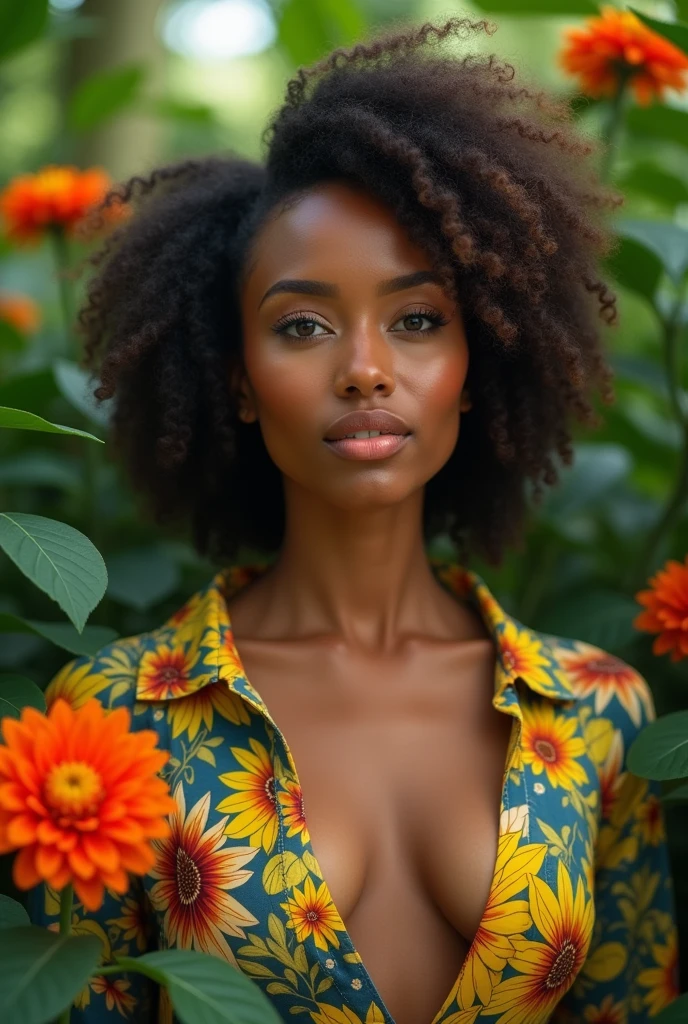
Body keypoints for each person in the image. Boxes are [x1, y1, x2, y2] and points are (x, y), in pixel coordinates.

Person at [29, 17, 678, 1024]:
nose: (366, 366)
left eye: (418, 320)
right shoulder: (114, 721)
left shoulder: (597, 715)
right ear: (238, 379)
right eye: (302, 325)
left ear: (478, 369)